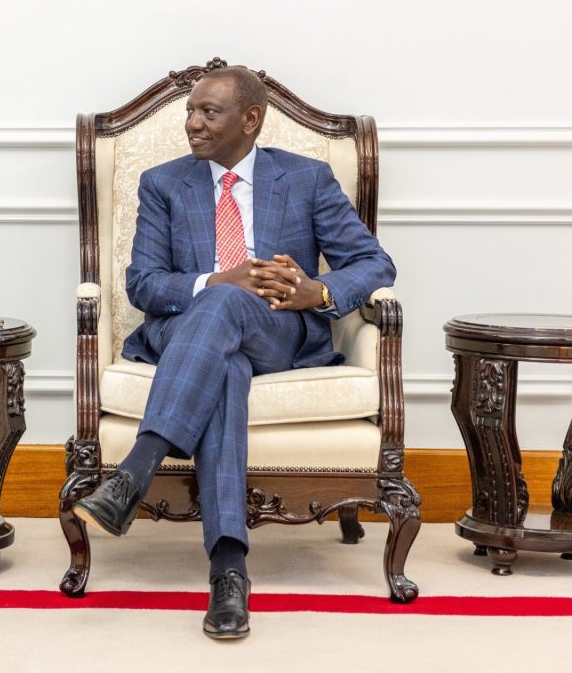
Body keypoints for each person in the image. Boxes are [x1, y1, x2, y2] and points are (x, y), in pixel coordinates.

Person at [74, 65, 396, 639]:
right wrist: (218, 280)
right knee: (224, 353)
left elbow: (375, 264)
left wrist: (316, 292)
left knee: (230, 313)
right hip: (184, 333)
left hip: (277, 331)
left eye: (208, 113)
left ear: (251, 120)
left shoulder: (305, 178)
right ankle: (229, 570)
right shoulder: (164, 183)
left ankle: (136, 471)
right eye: (190, 112)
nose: (192, 124)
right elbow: (143, 284)